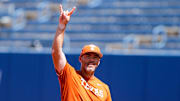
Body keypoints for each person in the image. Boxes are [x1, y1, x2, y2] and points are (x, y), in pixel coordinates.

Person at [52, 4, 112, 101]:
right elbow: (56, 52)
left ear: (99, 62)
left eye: (95, 57)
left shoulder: (104, 88)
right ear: (80, 59)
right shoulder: (70, 75)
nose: (91, 60)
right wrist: (62, 26)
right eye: (88, 56)